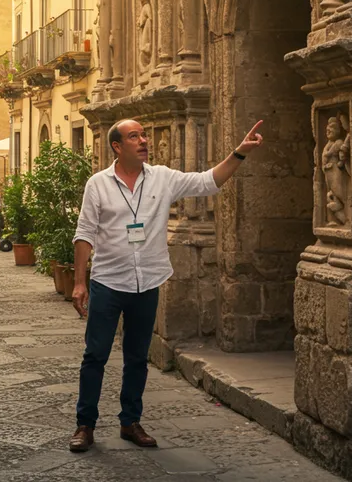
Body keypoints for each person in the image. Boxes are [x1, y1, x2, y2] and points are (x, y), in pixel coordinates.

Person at [67, 119, 265, 453]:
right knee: (95, 356)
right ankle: (84, 425)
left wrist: (239, 153)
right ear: (117, 146)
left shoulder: (162, 177)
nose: (144, 140)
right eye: (135, 137)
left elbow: (208, 181)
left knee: (137, 357)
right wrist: (78, 283)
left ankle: (130, 422)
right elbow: (84, 233)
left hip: (147, 282)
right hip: (108, 282)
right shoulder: (98, 185)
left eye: (144, 135)